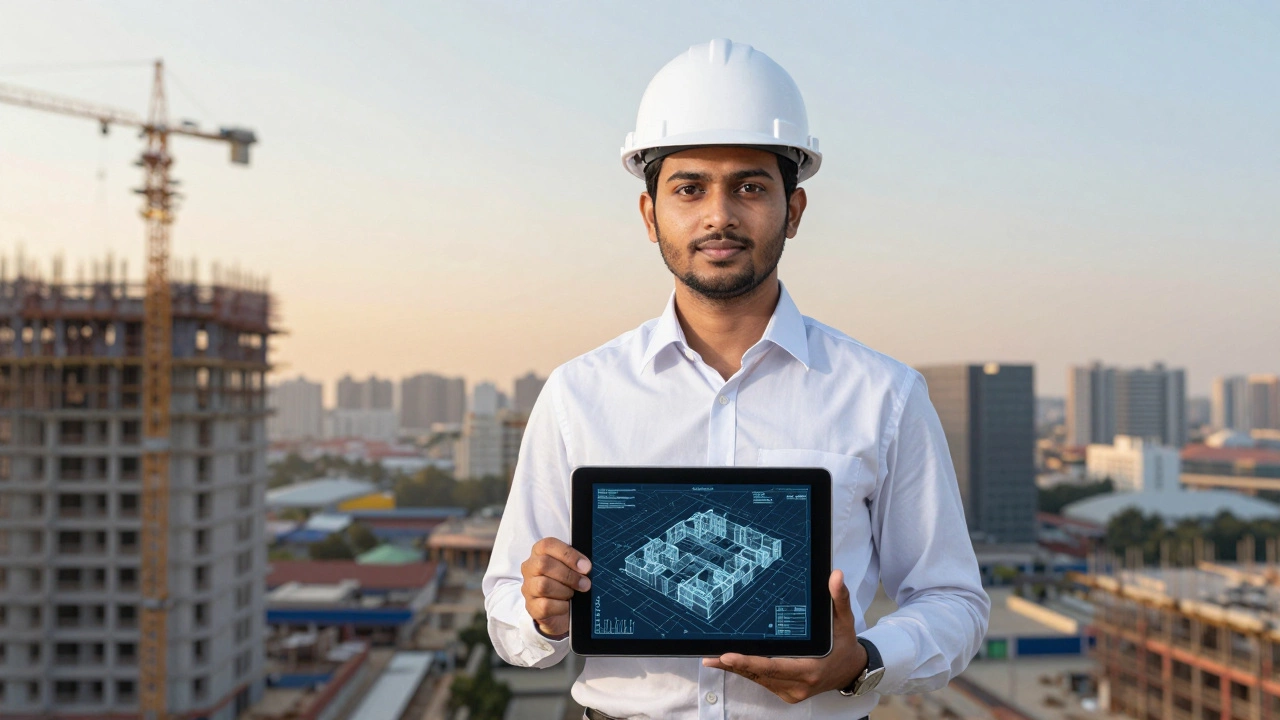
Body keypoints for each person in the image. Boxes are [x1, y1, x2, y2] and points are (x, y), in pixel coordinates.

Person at [483, 38, 989, 719]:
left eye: (750, 186)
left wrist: (861, 660)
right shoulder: (579, 396)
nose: (719, 215)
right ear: (649, 213)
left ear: (796, 210)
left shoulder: (884, 396)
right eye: (689, 188)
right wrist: (541, 612)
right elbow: (510, 616)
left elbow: (953, 601)